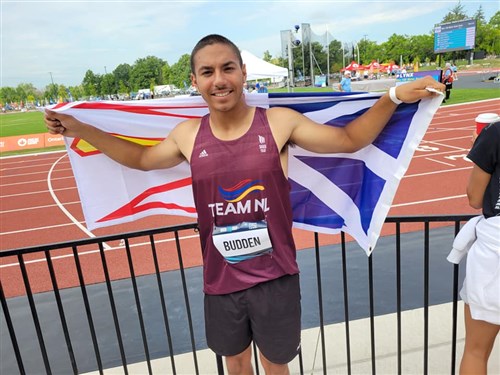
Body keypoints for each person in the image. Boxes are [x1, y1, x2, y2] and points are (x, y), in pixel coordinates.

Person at [45, 34, 445, 375]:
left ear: (242, 73)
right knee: (235, 365)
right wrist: (81, 128)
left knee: (276, 366)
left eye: (227, 68)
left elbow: (348, 141)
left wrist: (392, 95)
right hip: (221, 282)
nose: (219, 80)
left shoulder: (278, 123)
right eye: (208, 72)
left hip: (275, 279)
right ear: (196, 81)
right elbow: (140, 159)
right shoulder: (187, 135)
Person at [447, 121, 500, 375]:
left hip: (494, 254)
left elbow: (475, 198)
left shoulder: (495, 132)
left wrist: (481, 147)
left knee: (476, 351)